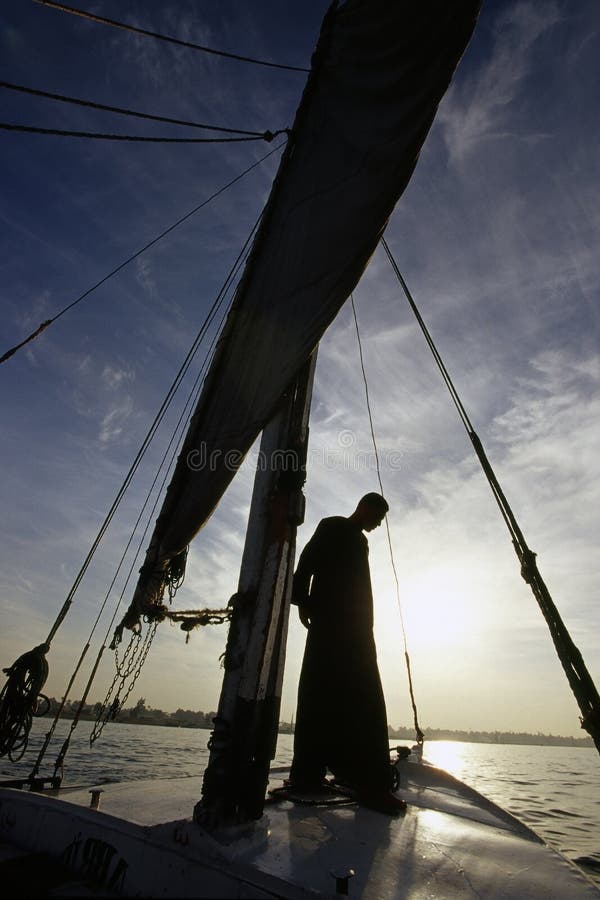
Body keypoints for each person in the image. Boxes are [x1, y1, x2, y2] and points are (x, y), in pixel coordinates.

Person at [289, 492, 406, 814]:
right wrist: (304, 602)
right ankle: (370, 782)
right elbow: (307, 562)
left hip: (350, 626)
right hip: (338, 625)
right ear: (366, 508)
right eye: (378, 518)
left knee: (322, 691)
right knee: (361, 695)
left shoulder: (358, 539)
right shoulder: (334, 527)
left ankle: (313, 773)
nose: (379, 525)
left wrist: (306, 603)